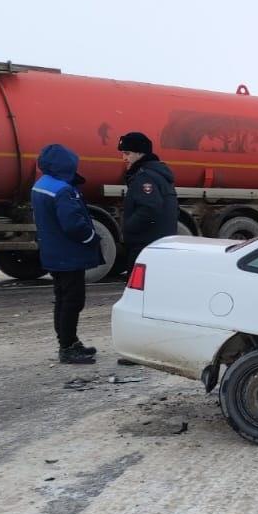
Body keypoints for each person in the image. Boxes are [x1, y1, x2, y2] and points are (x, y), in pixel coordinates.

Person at [31, 144, 104, 364]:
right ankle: (68, 347)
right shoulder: (63, 190)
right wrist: (91, 237)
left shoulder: (41, 184)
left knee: (62, 299)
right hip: (69, 255)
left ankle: (68, 341)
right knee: (73, 301)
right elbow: (73, 224)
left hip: (54, 253)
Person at [118, 132, 178, 266]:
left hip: (144, 245)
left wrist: (128, 228)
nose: (124, 158)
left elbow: (149, 207)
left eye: (127, 153)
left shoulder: (145, 177)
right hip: (156, 243)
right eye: (123, 154)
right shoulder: (156, 174)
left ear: (140, 153)